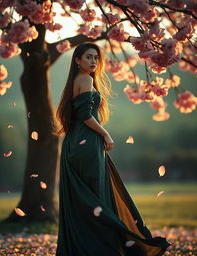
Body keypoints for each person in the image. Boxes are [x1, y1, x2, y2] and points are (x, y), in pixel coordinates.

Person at [52, 42, 171, 256]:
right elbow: (85, 115)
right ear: (77, 60)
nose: (93, 61)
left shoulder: (76, 81)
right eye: (88, 57)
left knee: (87, 199)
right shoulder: (85, 79)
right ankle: (102, 248)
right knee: (96, 197)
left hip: (76, 143)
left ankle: (87, 247)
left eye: (95, 58)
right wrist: (105, 133)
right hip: (86, 144)